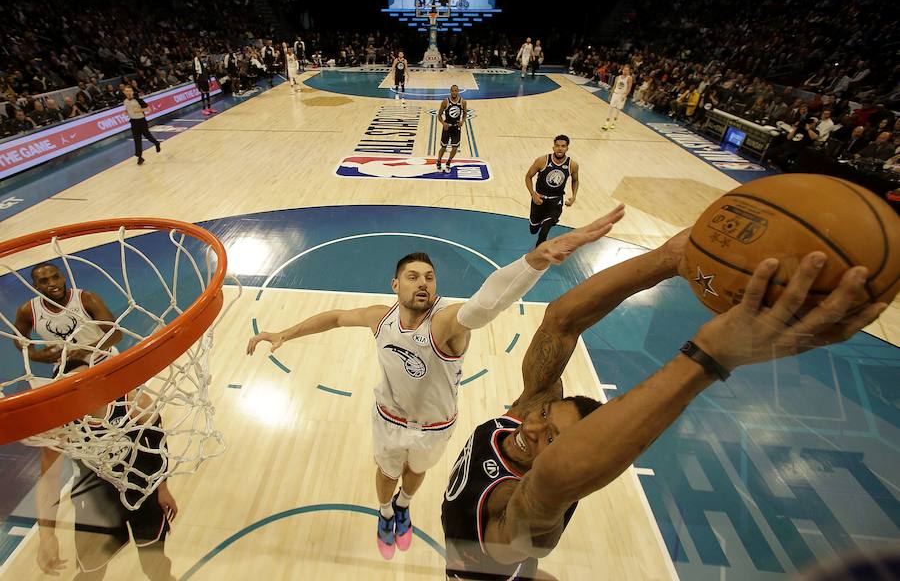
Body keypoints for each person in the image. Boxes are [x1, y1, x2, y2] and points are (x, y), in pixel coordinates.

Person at [441, 228, 888, 580]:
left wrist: (710, 358)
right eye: (544, 416)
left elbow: (550, 485)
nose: (533, 428)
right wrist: (667, 259)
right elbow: (560, 322)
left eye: (551, 439)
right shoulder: (526, 418)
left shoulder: (524, 519)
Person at [246, 206, 624, 561]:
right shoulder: (381, 318)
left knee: (415, 472)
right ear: (395, 284)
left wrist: (537, 259)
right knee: (386, 473)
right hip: (388, 419)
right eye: (413, 277)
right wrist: (284, 333)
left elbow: (484, 304)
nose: (423, 283)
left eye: (429, 277)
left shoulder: (444, 325)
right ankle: (384, 512)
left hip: (435, 427)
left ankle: (403, 508)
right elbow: (336, 317)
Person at [35, 360, 178, 580]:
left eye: (86, 380)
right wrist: (46, 536)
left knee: (155, 566)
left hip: (142, 496)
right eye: (73, 384)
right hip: (95, 505)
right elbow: (48, 481)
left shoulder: (133, 401)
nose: (83, 387)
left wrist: (163, 488)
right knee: (90, 574)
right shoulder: (60, 427)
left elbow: (157, 445)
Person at [12, 263, 123, 372]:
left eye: (56, 277)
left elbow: (116, 334)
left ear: (63, 278)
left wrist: (86, 350)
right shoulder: (28, 310)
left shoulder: (86, 299)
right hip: (66, 367)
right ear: (36, 286)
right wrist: (33, 354)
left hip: (103, 358)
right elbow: (18, 336)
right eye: (44, 281)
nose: (53, 283)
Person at [525, 135, 580, 247]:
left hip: (555, 201)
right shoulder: (542, 161)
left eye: (563, 146)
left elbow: (575, 180)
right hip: (538, 199)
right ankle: (541, 222)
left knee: (543, 233)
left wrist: (574, 196)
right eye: (557, 146)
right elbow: (528, 177)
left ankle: (537, 257)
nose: (560, 148)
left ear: (567, 148)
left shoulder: (572, 165)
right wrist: (533, 194)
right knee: (533, 229)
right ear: (553, 147)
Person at [120, 85, 160, 165]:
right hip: (133, 122)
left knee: (147, 136)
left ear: (132, 92)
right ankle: (140, 157)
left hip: (141, 121)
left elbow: (148, 109)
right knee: (137, 140)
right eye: (126, 91)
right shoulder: (125, 101)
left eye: (129, 91)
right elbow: (127, 110)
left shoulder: (138, 100)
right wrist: (126, 113)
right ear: (124, 92)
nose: (128, 93)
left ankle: (156, 143)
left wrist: (139, 110)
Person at [436, 84, 467, 172]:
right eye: (452, 91)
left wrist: (462, 121)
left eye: (455, 90)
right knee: (443, 147)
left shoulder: (463, 102)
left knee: (455, 148)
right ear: (450, 91)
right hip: (447, 127)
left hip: (456, 127)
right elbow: (439, 115)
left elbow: (465, 113)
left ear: (458, 91)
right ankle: (439, 160)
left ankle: (448, 162)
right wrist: (443, 123)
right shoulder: (445, 102)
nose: (454, 92)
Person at [602, 64, 633, 130]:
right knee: (610, 108)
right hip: (615, 94)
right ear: (622, 70)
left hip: (622, 95)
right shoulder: (618, 77)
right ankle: (606, 123)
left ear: (629, 71)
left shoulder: (629, 78)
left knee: (618, 110)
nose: (625, 71)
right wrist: (610, 94)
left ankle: (613, 123)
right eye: (624, 70)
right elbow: (614, 86)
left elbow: (629, 88)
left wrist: (625, 95)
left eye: (627, 70)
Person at [192, 50, 214, 115]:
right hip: (200, 79)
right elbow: (194, 73)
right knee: (203, 94)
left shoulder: (203, 61)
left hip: (205, 79)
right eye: (197, 53)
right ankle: (204, 109)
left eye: (199, 53)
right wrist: (196, 82)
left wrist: (209, 80)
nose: (199, 54)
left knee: (207, 93)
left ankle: (209, 108)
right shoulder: (195, 62)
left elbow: (206, 70)